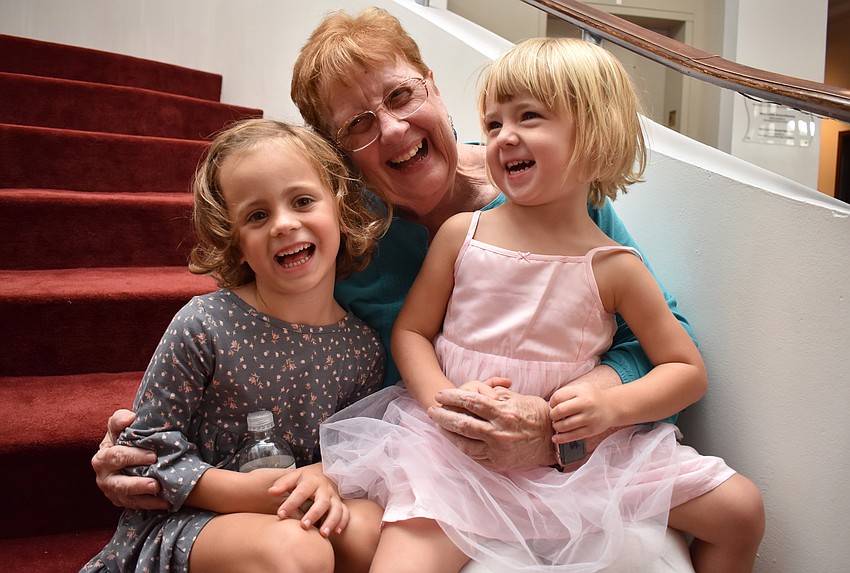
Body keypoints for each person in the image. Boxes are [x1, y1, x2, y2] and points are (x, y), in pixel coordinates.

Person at [92, 8, 760, 548]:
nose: (392, 129)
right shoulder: (337, 233)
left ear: (433, 84)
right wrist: (152, 442)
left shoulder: (553, 197)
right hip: (431, 452)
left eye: (401, 95)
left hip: (555, 451)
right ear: (336, 154)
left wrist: (564, 420)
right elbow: (256, 329)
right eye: (357, 124)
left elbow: (660, 346)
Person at [319, 37, 764, 573]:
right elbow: (411, 333)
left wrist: (608, 408)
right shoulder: (463, 235)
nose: (503, 137)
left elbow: (685, 368)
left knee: (741, 510)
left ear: (594, 134)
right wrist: (446, 403)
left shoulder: (614, 265)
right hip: (454, 457)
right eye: (492, 124)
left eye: (528, 117)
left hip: (581, 455)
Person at [81, 119, 389, 573]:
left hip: (291, 510)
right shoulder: (204, 324)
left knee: (373, 531)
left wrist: (322, 477)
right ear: (237, 243)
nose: (284, 224)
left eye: (302, 201)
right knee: (298, 549)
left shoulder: (361, 348)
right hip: (191, 521)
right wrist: (257, 494)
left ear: (340, 211)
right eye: (257, 216)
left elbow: (353, 449)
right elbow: (147, 451)